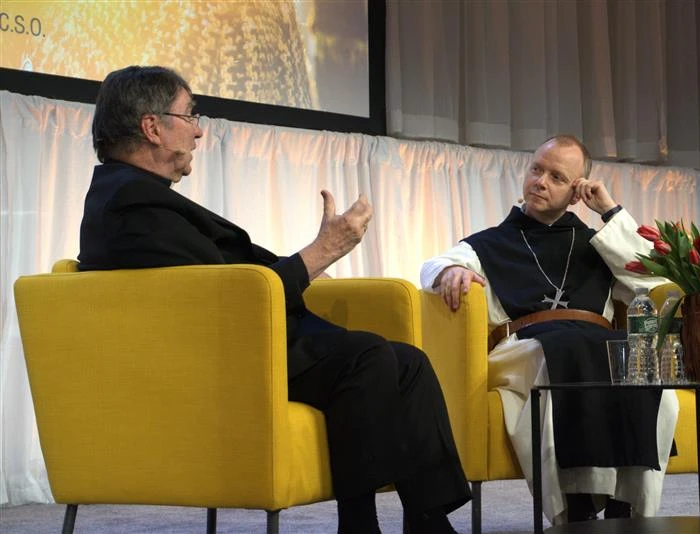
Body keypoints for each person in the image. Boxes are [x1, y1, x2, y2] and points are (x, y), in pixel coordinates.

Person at [78, 65, 470, 534]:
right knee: (365, 356)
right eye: (190, 115)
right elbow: (230, 298)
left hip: (238, 339)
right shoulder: (131, 202)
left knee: (408, 363)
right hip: (221, 358)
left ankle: (428, 521)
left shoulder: (137, 194)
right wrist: (322, 251)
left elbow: (234, 280)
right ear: (152, 127)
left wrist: (315, 257)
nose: (200, 130)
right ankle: (359, 525)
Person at [420, 135, 679, 525]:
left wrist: (609, 211)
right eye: (536, 169)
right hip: (524, 347)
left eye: (557, 177)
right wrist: (450, 270)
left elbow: (651, 274)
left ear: (578, 192)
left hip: (591, 343)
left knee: (643, 367)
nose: (540, 181)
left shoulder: (598, 244)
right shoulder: (491, 242)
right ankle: (575, 509)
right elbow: (432, 266)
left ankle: (628, 508)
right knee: (558, 358)